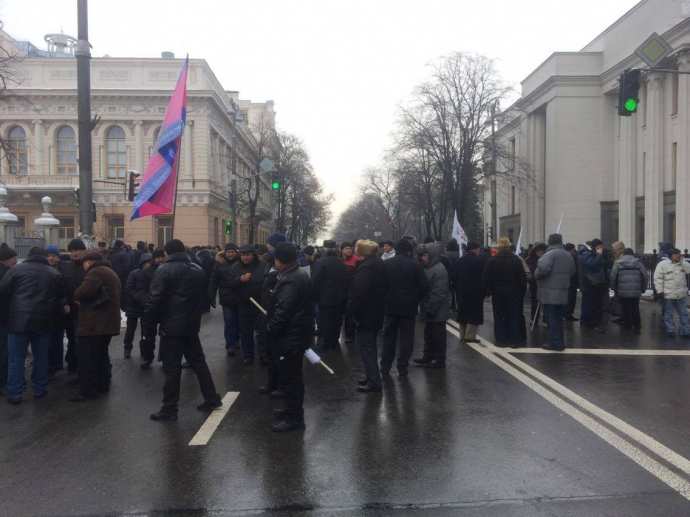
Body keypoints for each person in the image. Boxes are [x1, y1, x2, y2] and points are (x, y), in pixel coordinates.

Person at [147, 239, 221, 421]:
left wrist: (150, 321)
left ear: (167, 253)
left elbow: (155, 298)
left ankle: (169, 408)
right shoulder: (197, 269)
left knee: (172, 368)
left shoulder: (163, 270)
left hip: (171, 325)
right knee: (199, 362)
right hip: (191, 323)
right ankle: (211, 398)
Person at [0, 247, 66, 404]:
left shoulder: (15, 271)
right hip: (43, 322)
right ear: (44, 257)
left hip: (17, 322)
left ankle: (15, 393)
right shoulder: (54, 273)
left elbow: (3, 292)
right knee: (41, 357)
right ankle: (39, 389)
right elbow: (60, 298)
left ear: (29, 256)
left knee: (16, 358)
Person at [265, 242, 314, 432]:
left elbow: (284, 311)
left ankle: (295, 419)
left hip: (291, 336)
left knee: (291, 379)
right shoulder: (295, 274)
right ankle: (290, 410)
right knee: (290, 377)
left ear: (280, 260)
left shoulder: (292, 279)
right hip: (295, 334)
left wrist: (271, 328)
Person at [71, 251, 122, 402]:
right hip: (107, 323)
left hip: (94, 324)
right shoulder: (109, 271)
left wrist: (76, 295)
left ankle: (87, 391)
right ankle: (102, 384)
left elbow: (81, 293)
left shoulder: (95, 272)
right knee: (101, 355)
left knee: (87, 358)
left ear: (89, 262)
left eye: (83, 263)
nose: (83, 266)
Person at [380, 238, 428, 377]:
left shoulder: (387, 264)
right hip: (409, 307)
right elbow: (424, 286)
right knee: (407, 338)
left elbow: (380, 285)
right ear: (409, 250)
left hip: (390, 306)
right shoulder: (415, 265)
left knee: (388, 338)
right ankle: (402, 366)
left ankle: (385, 367)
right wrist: (416, 299)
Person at [348, 240, 387, 392]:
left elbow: (359, 292)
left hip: (366, 314)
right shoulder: (378, 263)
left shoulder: (366, 268)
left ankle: (374, 381)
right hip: (376, 311)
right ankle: (371, 376)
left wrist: (351, 310)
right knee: (370, 347)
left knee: (366, 348)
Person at [534, 234, 576, 351]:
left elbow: (542, 269)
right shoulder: (568, 255)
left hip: (549, 292)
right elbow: (572, 271)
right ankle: (560, 342)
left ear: (550, 242)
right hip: (563, 291)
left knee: (551, 319)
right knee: (559, 318)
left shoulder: (549, 254)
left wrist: (536, 274)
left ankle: (554, 343)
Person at [483, 237, 527, 347]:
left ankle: (501, 339)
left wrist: (489, 291)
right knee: (514, 316)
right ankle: (514, 339)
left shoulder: (492, 260)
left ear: (499, 248)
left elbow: (486, 278)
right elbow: (522, 278)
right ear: (508, 247)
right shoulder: (516, 260)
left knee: (499, 316)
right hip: (514, 292)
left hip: (498, 293)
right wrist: (522, 291)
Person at [415, 242, 451, 368]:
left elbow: (439, 292)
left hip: (437, 310)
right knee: (429, 334)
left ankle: (439, 360)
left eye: (424, 255)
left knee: (438, 336)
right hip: (429, 307)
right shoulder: (428, 267)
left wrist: (430, 308)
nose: (422, 258)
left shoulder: (439, 269)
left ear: (431, 255)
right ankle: (428, 356)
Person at [231, 244, 267, 365]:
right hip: (244, 304)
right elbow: (229, 283)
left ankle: (263, 354)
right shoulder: (235, 267)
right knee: (245, 332)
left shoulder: (262, 266)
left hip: (260, 304)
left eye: (248, 254)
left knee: (262, 331)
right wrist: (240, 280)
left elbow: (267, 282)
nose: (245, 257)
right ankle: (248, 355)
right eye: (243, 255)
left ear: (253, 255)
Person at [311, 240, 348, 350]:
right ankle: (334, 342)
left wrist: (315, 297)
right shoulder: (341, 263)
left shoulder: (320, 262)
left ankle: (325, 344)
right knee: (337, 321)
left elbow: (315, 281)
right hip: (340, 298)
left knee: (325, 321)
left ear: (325, 249)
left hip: (325, 299)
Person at [125, 253, 158, 368]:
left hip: (146, 307)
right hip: (134, 306)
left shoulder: (154, 274)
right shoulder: (134, 273)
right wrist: (139, 297)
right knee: (130, 329)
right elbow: (129, 288)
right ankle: (127, 348)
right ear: (142, 263)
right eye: (146, 263)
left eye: (149, 263)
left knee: (145, 332)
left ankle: (144, 352)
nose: (148, 265)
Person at [209, 243, 241, 356]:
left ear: (236, 253)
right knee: (229, 322)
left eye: (232, 252)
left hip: (240, 298)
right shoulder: (219, 264)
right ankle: (230, 344)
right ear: (225, 253)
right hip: (226, 298)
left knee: (239, 322)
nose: (230, 254)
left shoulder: (241, 263)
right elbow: (213, 281)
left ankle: (236, 340)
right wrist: (211, 297)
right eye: (228, 252)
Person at [453, 241, 486, 344]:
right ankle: (470, 336)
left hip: (461, 291)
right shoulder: (479, 261)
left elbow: (454, 276)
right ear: (475, 249)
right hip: (475, 292)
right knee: (474, 314)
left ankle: (462, 335)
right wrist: (485, 291)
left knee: (463, 313)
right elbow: (483, 277)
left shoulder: (460, 260)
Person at [654, 248, 690, 337]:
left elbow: (688, 270)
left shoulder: (683, 264)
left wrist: (682, 262)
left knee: (684, 314)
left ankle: (685, 331)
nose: (678, 256)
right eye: (676, 254)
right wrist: (660, 291)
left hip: (681, 294)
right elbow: (658, 278)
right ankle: (670, 330)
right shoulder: (662, 264)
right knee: (668, 314)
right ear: (671, 255)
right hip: (668, 294)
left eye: (679, 254)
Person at [610, 248, 648, 334]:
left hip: (622, 290)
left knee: (625, 308)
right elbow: (645, 276)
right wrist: (643, 288)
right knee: (635, 307)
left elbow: (613, 276)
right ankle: (637, 325)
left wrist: (613, 287)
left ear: (623, 254)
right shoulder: (638, 263)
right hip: (636, 290)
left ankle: (627, 325)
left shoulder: (618, 263)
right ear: (632, 254)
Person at [579, 238, 610, 333]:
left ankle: (593, 322)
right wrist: (599, 255)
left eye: (601, 247)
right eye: (599, 247)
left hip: (598, 284)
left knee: (597, 304)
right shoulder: (587, 255)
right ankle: (587, 322)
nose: (601, 249)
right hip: (589, 284)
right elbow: (592, 264)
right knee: (589, 304)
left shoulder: (598, 255)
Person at [0, 245, 17, 394]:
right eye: (13, 258)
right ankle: (3, 382)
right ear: (5, 260)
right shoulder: (7, 274)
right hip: (4, 318)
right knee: (4, 351)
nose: (16, 261)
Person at [341, 241, 360, 343]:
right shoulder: (339, 260)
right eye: (346, 248)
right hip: (340, 290)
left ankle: (350, 335)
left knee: (349, 314)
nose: (349, 250)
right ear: (342, 250)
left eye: (350, 248)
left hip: (352, 290)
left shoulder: (356, 260)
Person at [526, 242, 547, 323]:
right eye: (539, 251)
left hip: (543, 283)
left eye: (543, 251)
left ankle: (545, 318)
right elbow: (528, 272)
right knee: (535, 302)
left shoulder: (546, 258)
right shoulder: (530, 259)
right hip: (534, 284)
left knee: (545, 302)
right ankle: (534, 318)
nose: (541, 253)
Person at [564, 243, 579, 321]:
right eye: (573, 249)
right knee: (570, 299)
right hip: (571, 281)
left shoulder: (565, 256)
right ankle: (568, 314)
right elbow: (573, 270)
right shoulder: (571, 257)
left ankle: (567, 314)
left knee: (569, 299)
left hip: (568, 281)